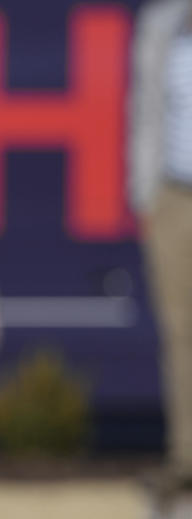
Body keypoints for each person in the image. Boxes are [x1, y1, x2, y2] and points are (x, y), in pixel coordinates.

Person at [130, 0, 192, 494]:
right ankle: (186, 456)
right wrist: (145, 194)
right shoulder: (162, 21)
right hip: (174, 193)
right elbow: (145, 108)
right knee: (180, 331)